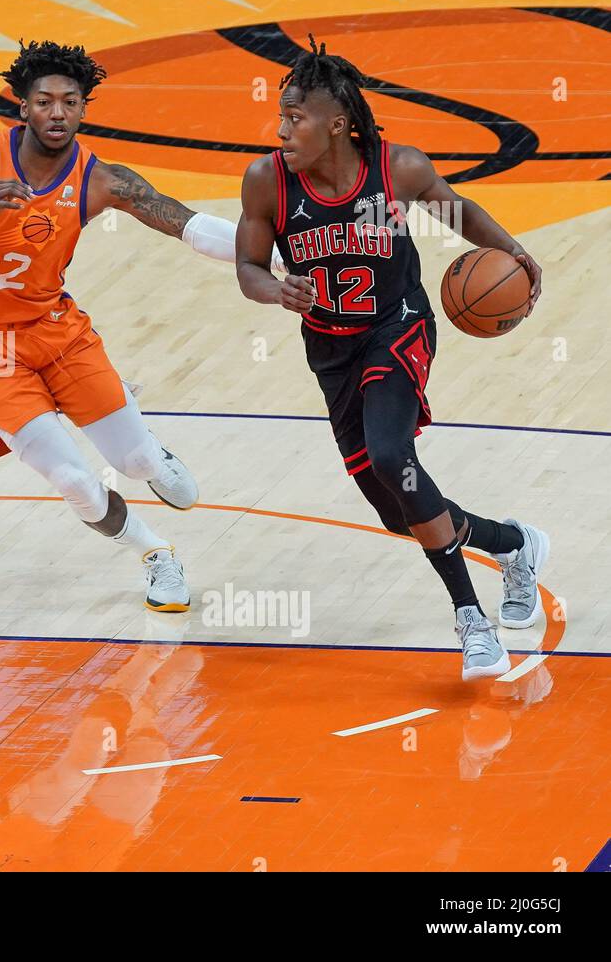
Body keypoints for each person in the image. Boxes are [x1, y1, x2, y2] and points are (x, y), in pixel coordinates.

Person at [0, 40, 279, 610]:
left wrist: (280, 261)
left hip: (57, 330)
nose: (57, 113)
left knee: (135, 463)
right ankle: (155, 553)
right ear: (23, 106)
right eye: (44, 101)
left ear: (84, 109)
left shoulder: (101, 179)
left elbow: (185, 223)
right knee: (72, 479)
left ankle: (150, 456)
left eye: (70, 101)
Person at [235, 38, 548, 680]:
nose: (282, 128)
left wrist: (514, 254)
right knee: (398, 509)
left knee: (392, 455)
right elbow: (247, 265)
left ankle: (472, 621)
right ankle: (512, 543)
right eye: (282, 116)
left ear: (339, 124)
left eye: (296, 117)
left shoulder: (396, 168)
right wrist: (275, 289)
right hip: (330, 348)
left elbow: (458, 211)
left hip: (397, 328)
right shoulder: (267, 179)